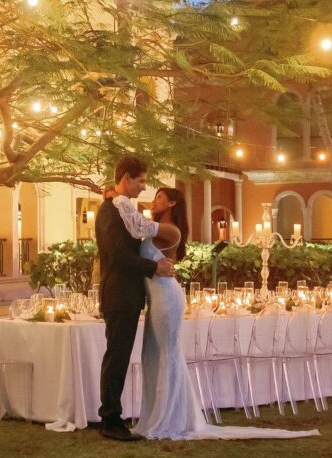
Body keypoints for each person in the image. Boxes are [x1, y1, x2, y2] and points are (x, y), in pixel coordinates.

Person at [108, 184, 318, 442]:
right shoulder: (159, 227)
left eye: (159, 198)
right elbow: (137, 225)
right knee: (153, 354)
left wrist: (117, 198)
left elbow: (139, 225)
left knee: (167, 355)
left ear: (172, 203)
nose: (153, 201)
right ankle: (156, 415)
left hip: (167, 298)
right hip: (156, 300)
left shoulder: (171, 231)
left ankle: (171, 418)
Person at [94, 155, 173, 442]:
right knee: (117, 356)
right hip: (118, 294)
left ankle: (113, 414)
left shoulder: (125, 211)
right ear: (126, 178)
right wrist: (155, 267)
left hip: (128, 294)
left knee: (121, 355)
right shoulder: (109, 212)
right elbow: (119, 256)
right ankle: (110, 418)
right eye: (140, 181)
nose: (144, 187)